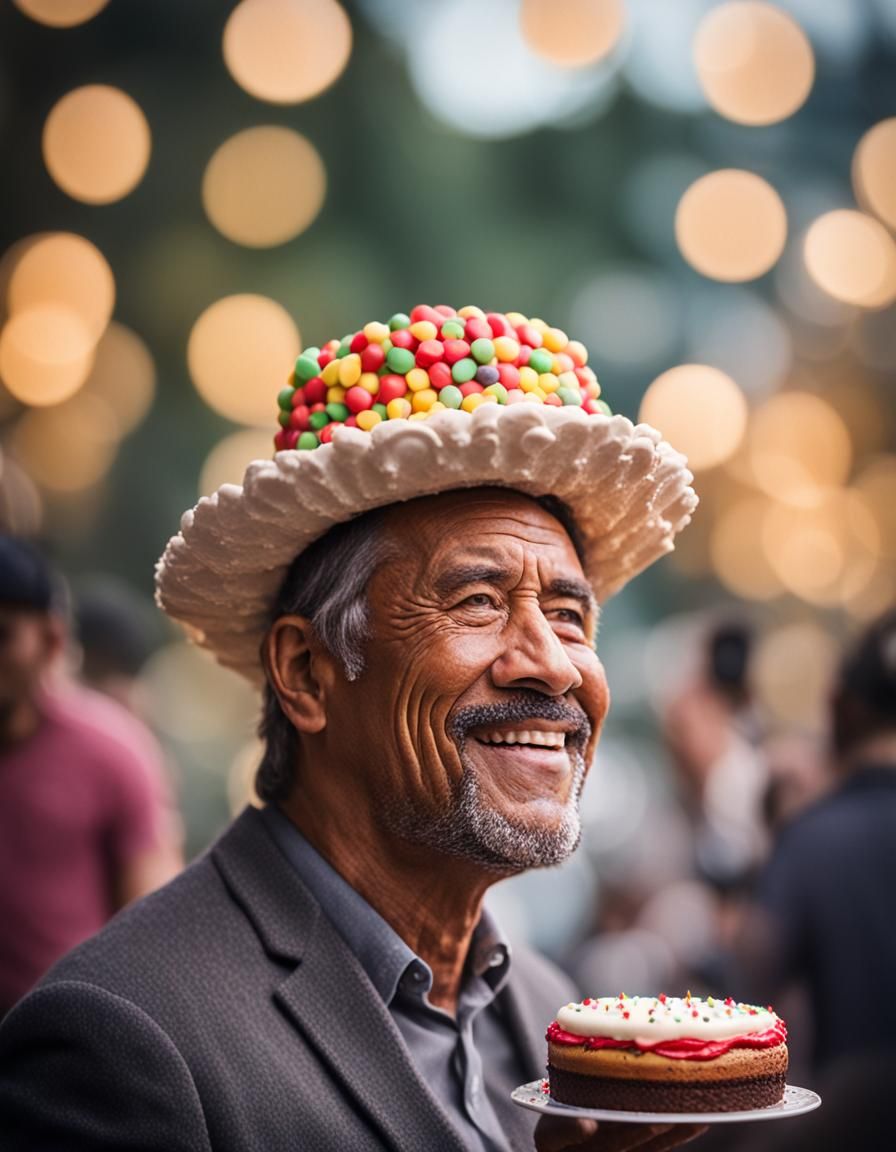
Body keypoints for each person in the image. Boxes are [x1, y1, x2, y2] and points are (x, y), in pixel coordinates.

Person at [0, 306, 701, 1152]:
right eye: (477, 601)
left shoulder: (549, 1006)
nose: (553, 664)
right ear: (306, 673)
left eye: (568, 613)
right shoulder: (123, 1041)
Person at [0, 537, 183, 1018]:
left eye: (2, 635)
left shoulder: (112, 751)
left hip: (66, 1047)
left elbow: (154, 928)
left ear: (51, 640)